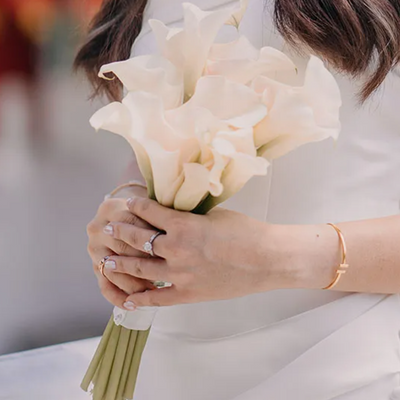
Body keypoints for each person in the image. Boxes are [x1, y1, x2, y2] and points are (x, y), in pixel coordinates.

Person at [75, 0, 400, 399]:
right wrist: (128, 214)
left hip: (347, 365)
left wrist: (272, 258)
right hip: (163, 370)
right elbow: (162, 136)